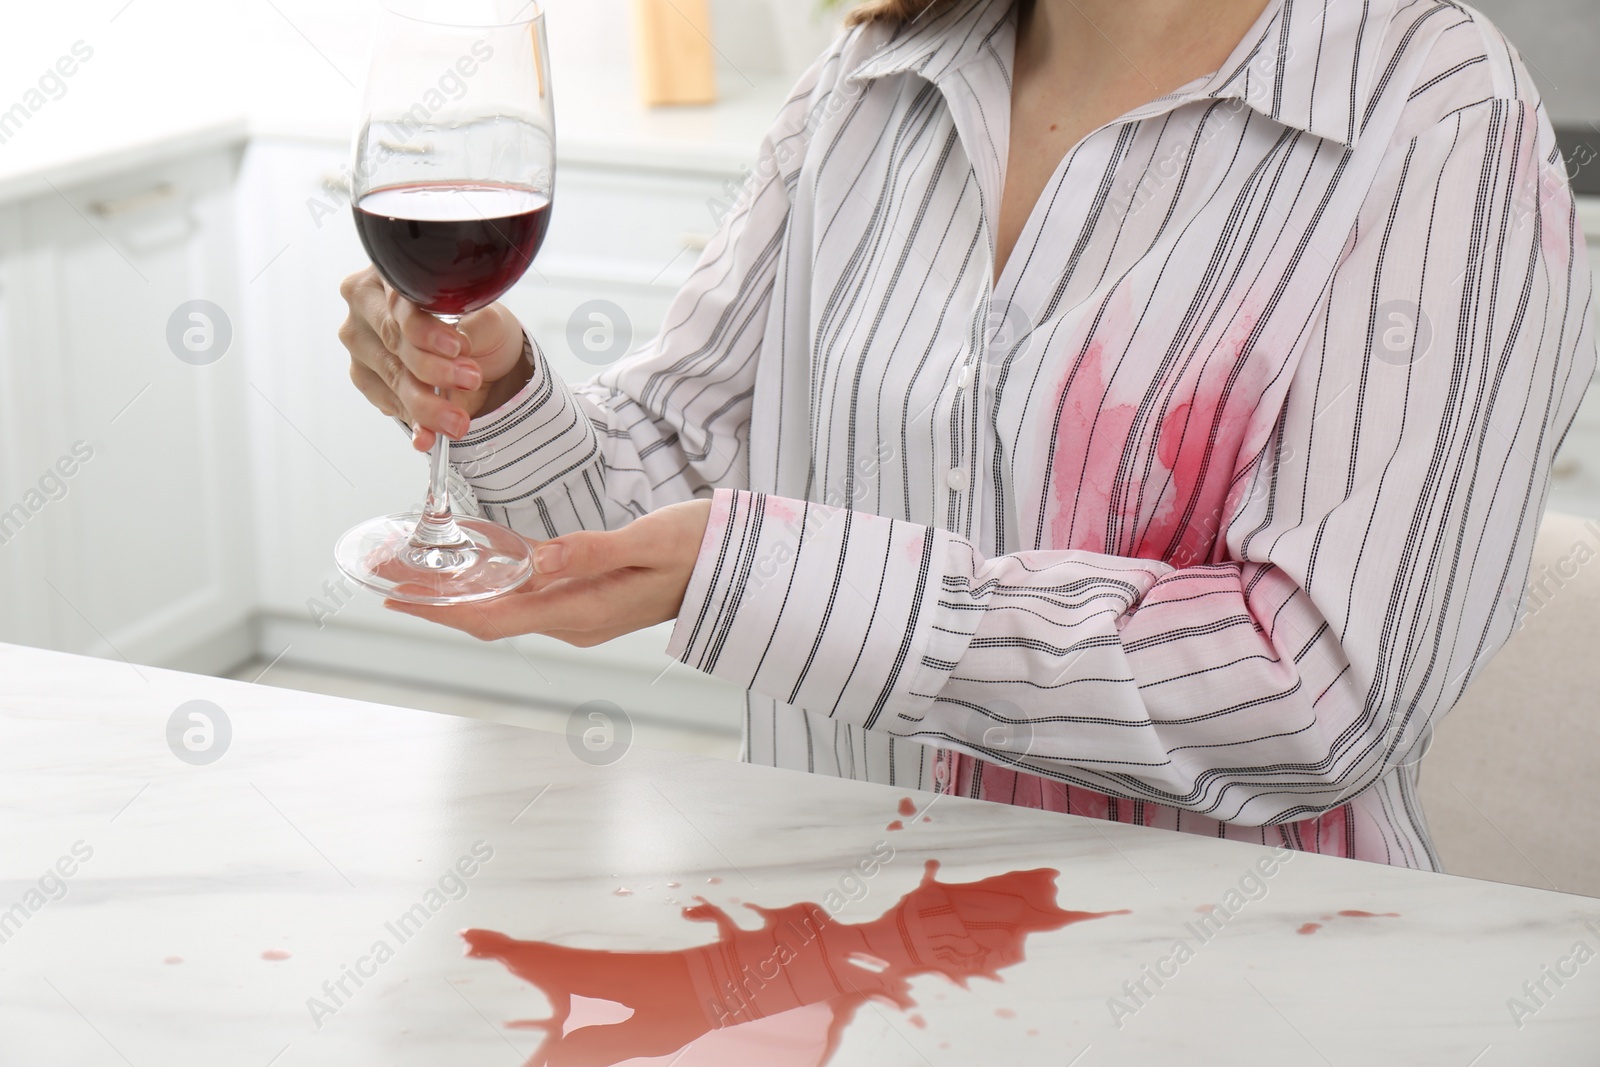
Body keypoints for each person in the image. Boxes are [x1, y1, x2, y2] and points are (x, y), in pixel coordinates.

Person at [336, 0, 1595, 869]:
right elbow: (647, 486)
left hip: (1221, 970)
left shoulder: (1437, 116)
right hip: (822, 930)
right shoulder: (869, 79)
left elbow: (1311, 694)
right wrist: (496, 392)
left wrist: (773, 574)